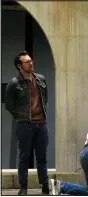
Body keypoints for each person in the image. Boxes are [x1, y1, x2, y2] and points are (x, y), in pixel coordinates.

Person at [5, 51, 49, 195]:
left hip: (41, 123)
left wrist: (41, 114)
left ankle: (44, 185)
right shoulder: (14, 83)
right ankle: (23, 187)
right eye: (27, 62)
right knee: (24, 156)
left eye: (31, 60)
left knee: (42, 156)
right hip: (24, 123)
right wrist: (21, 116)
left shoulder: (41, 79)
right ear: (19, 66)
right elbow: (9, 105)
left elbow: (45, 99)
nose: (31, 63)